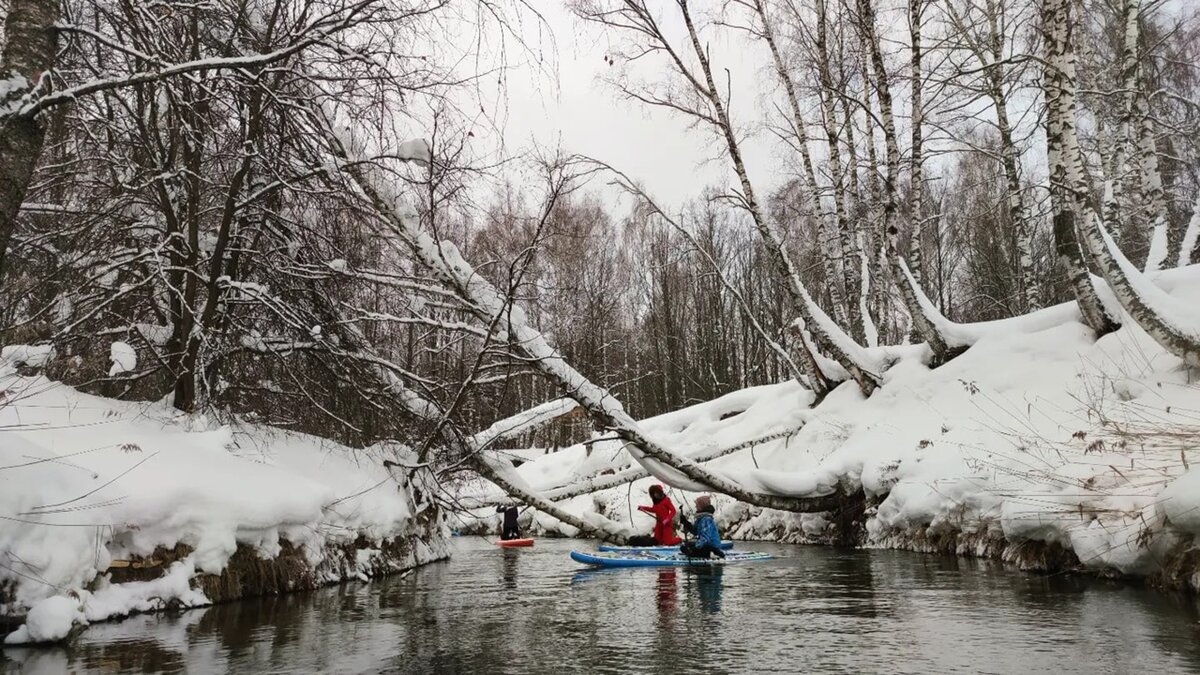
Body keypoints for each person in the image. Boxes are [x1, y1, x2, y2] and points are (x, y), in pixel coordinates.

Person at [679, 495, 725, 559]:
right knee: (685, 546)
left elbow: (705, 538)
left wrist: (694, 547)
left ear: (702, 506)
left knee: (686, 548)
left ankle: (715, 553)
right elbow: (695, 531)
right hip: (706, 545)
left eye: (697, 505)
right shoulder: (701, 518)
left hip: (711, 547)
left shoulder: (706, 519)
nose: (695, 506)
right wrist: (686, 523)